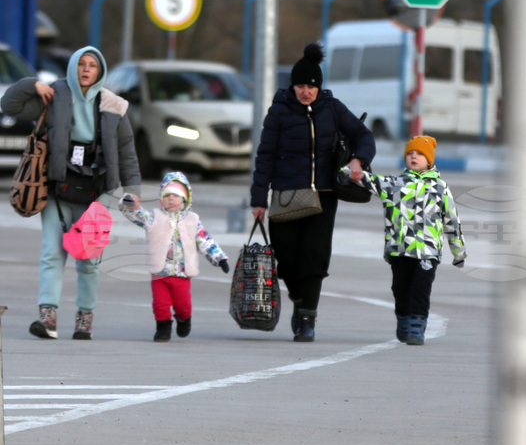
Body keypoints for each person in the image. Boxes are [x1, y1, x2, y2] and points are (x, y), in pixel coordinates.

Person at [1, 46, 141, 340]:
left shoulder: (115, 105)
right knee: (52, 253)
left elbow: (127, 153)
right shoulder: (54, 96)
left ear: (100, 71)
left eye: (93, 65)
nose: (86, 69)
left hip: (97, 192)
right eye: (82, 64)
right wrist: (31, 84)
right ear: (73, 67)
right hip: (56, 187)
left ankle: (84, 319)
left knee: (88, 259)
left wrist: (132, 191)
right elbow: (9, 105)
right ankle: (47, 318)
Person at [250, 43, 376, 342]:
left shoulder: (332, 108)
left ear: (319, 87)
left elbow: (363, 135)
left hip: (323, 195)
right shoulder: (279, 111)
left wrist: (359, 159)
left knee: (314, 258)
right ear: (292, 86)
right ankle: (298, 297)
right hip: (284, 196)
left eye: (311, 86)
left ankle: (308, 317)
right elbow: (265, 155)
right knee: (287, 261)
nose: (306, 91)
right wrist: (258, 199)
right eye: (300, 86)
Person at [340, 135, 467, 346]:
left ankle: (417, 324)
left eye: (419, 154)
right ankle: (403, 317)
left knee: (421, 288)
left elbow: (452, 221)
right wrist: (346, 171)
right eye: (410, 153)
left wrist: (459, 252)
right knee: (400, 287)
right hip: (399, 249)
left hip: (428, 251)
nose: (414, 156)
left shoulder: (440, 188)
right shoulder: (394, 184)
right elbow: (369, 180)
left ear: (430, 160)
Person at [119, 171, 230, 342]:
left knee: (183, 306)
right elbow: (138, 215)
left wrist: (219, 258)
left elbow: (205, 240)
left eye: (176, 195)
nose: (171, 199)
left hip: (182, 273)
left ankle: (184, 319)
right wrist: (129, 204)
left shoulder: (193, 220)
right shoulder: (155, 218)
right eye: (167, 195)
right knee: (160, 304)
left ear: (185, 198)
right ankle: (163, 328)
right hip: (160, 272)